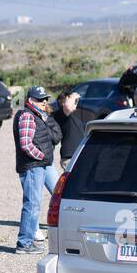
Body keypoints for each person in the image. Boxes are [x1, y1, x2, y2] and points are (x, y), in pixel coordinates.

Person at [13, 86, 57, 255]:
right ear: (31, 101)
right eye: (40, 100)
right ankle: (24, 243)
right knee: (31, 205)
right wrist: (40, 156)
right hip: (32, 166)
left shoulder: (37, 115)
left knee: (34, 204)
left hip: (38, 165)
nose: (44, 102)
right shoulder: (27, 116)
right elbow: (26, 144)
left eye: (45, 99)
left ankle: (28, 240)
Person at [55, 89, 86, 170]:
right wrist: (74, 95)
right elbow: (68, 107)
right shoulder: (61, 115)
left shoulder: (72, 115)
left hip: (79, 155)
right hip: (70, 157)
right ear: (63, 103)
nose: (75, 102)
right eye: (72, 100)